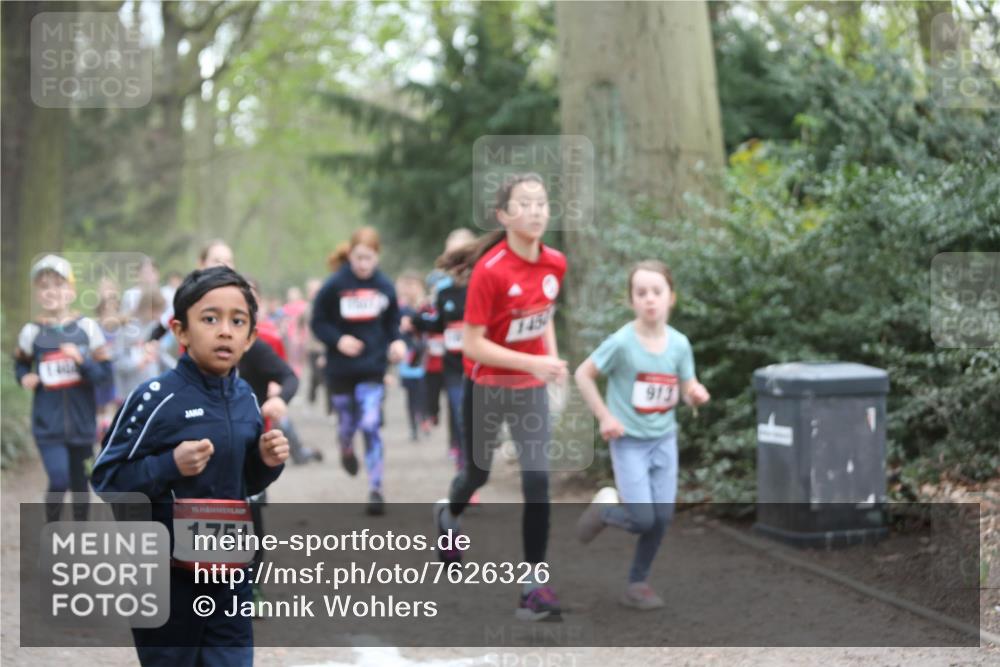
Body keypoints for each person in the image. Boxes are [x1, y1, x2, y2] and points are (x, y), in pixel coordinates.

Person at [91, 265, 289, 667]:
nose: (225, 331)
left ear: (251, 337)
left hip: (229, 569)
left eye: (238, 322)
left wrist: (266, 464)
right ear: (181, 332)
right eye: (210, 318)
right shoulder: (155, 397)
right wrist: (169, 465)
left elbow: (242, 481)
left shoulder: (246, 398)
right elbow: (107, 479)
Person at [433, 173, 568, 622]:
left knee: (536, 481)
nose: (535, 210)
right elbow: (471, 346)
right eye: (524, 204)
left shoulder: (555, 264)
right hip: (487, 385)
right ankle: (448, 515)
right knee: (478, 472)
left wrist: (550, 360)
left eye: (541, 203)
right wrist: (531, 363)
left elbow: (542, 315)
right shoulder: (490, 272)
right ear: (504, 215)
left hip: (528, 390)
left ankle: (533, 585)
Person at [574, 260, 710, 610]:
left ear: (671, 298)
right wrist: (604, 417)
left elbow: (685, 383)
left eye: (657, 292)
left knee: (662, 518)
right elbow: (583, 375)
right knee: (642, 519)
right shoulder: (621, 343)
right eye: (641, 293)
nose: (650, 299)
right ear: (632, 300)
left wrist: (695, 392)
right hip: (629, 441)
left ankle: (637, 584)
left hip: (664, 440)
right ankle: (605, 511)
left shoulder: (680, 344)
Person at [310, 227, 405, 515]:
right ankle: (346, 447)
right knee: (348, 424)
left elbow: (392, 324)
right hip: (340, 370)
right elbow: (318, 322)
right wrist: (338, 340)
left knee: (371, 423)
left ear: (377, 257)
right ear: (350, 255)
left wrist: (397, 342)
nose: (364, 264)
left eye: (369, 258)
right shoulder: (334, 285)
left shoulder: (385, 287)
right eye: (359, 257)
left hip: (372, 368)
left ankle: (376, 489)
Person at [15, 255, 113, 522]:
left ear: (71, 291)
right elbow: (21, 364)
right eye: (44, 286)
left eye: (58, 285)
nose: (51, 292)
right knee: (59, 480)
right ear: (37, 293)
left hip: (82, 425)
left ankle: (78, 537)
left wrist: (81, 361)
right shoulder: (31, 332)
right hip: (47, 425)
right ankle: (52, 528)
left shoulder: (87, 329)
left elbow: (105, 374)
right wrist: (25, 377)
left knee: (81, 485)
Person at [410, 228, 476, 465]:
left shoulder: (483, 285)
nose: (458, 261)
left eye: (463, 254)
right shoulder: (444, 292)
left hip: (483, 366)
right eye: (452, 255)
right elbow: (438, 324)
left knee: (478, 419)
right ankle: (465, 468)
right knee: (460, 413)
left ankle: (473, 459)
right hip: (454, 367)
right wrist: (417, 320)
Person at [396, 272, 428, 442]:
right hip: (408, 354)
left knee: (424, 390)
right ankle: (413, 427)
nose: (410, 289)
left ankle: (424, 419)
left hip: (426, 355)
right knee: (411, 392)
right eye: (407, 286)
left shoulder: (427, 307)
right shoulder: (401, 309)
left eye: (414, 286)